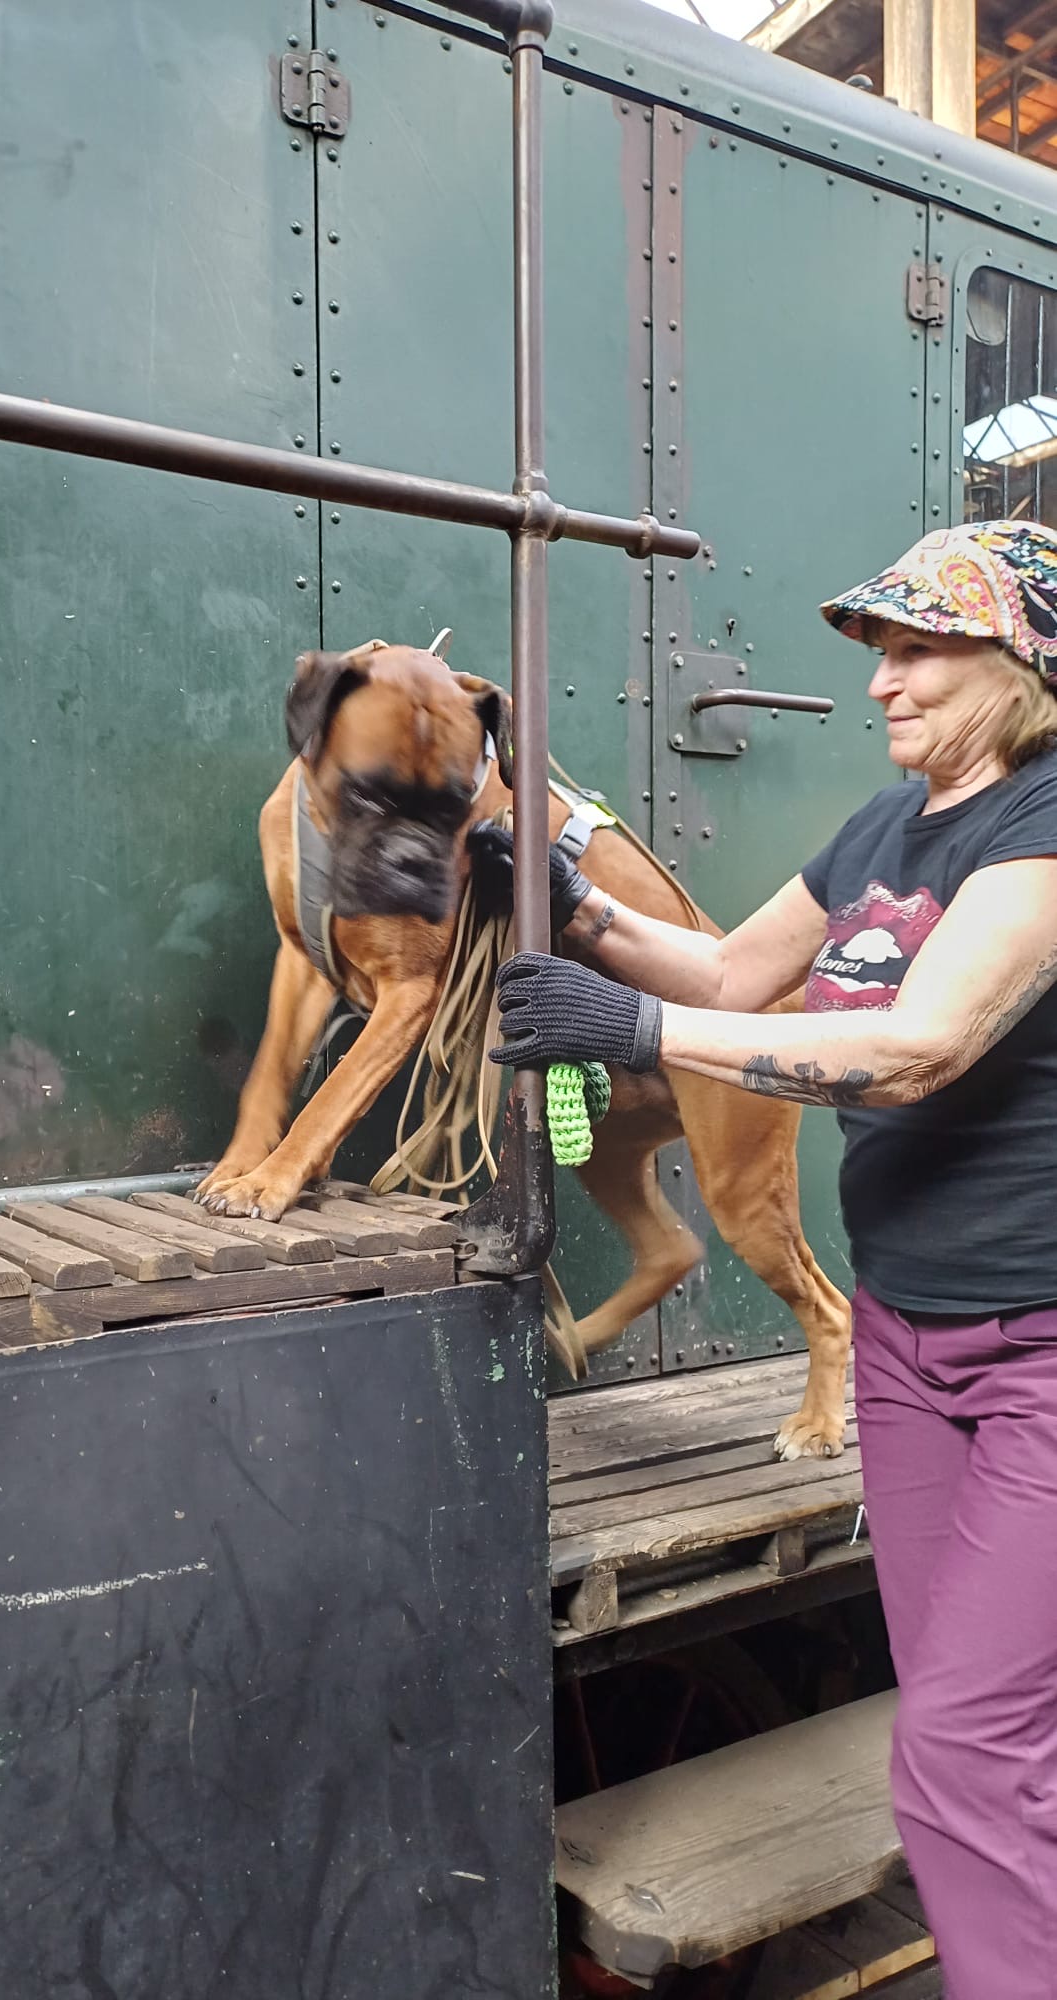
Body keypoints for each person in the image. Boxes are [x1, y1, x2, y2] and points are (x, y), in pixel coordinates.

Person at [470, 520, 1057, 2000]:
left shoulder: (1043, 824)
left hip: (1043, 1351)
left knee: (964, 1750)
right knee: (970, 1726)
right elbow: (733, 968)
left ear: (1021, 665)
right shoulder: (884, 827)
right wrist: (571, 895)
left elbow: (919, 1049)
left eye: (918, 652)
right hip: (910, 1343)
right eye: (879, 653)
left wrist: (639, 1032)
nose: (880, 683)